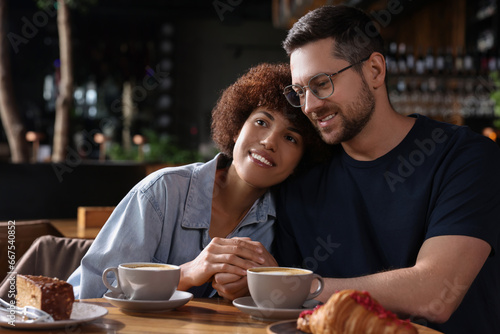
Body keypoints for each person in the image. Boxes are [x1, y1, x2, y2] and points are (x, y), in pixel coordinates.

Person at [274, 5, 500, 333]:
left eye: (321, 84)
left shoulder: (466, 158)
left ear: (376, 71)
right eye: (300, 91)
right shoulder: (301, 181)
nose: (310, 105)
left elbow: (435, 295)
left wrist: (306, 287)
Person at [67, 63, 330, 301]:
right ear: (238, 127)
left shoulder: (286, 225)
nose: (269, 141)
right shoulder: (163, 192)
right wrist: (185, 275)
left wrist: (266, 285)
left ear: (301, 161)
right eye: (262, 121)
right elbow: (87, 295)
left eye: (291, 138)